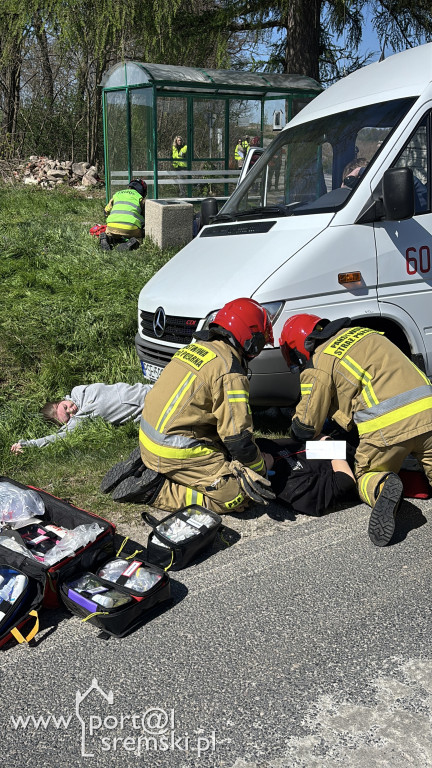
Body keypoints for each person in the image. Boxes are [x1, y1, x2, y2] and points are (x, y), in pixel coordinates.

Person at [101, 298, 276, 514]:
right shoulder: (229, 371)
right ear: (252, 341)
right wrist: (260, 469)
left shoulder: (195, 349)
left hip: (150, 438)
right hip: (175, 450)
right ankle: (156, 489)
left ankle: (149, 466)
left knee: (224, 456)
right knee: (237, 496)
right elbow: (238, 439)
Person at [279, 314, 432, 546]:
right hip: (428, 411)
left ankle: (381, 485)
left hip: (386, 428)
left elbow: (306, 426)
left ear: (297, 350)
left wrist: (298, 429)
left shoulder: (320, 361)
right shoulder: (366, 333)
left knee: (365, 475)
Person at [11, 382, 153, 452]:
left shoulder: (78, 391)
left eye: (65, 407)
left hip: (149, 388)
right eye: (69, 416)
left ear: (59, 401)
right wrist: (28, 444)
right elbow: (57, 438)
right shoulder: (81, 419)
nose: (72, 410)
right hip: (153, 408)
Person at [257, 435, 357, 516]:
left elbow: (304, 439)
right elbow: (345, 480)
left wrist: (323, 439)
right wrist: (332, 448)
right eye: (256, 460)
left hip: (343, 438)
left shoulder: (263, 446)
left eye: (254, 452)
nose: (259, 453)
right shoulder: (291, 490)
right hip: (358, 462)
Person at [100, 178, 147, 252]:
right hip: (131, 228)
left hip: (112, 226)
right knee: (140, 237)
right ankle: (133, 242)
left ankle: (107, 238)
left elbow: (106, 211)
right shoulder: (140, 198)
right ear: (143, 191)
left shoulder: (117, 194)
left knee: (112, 234)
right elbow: (147, 216)